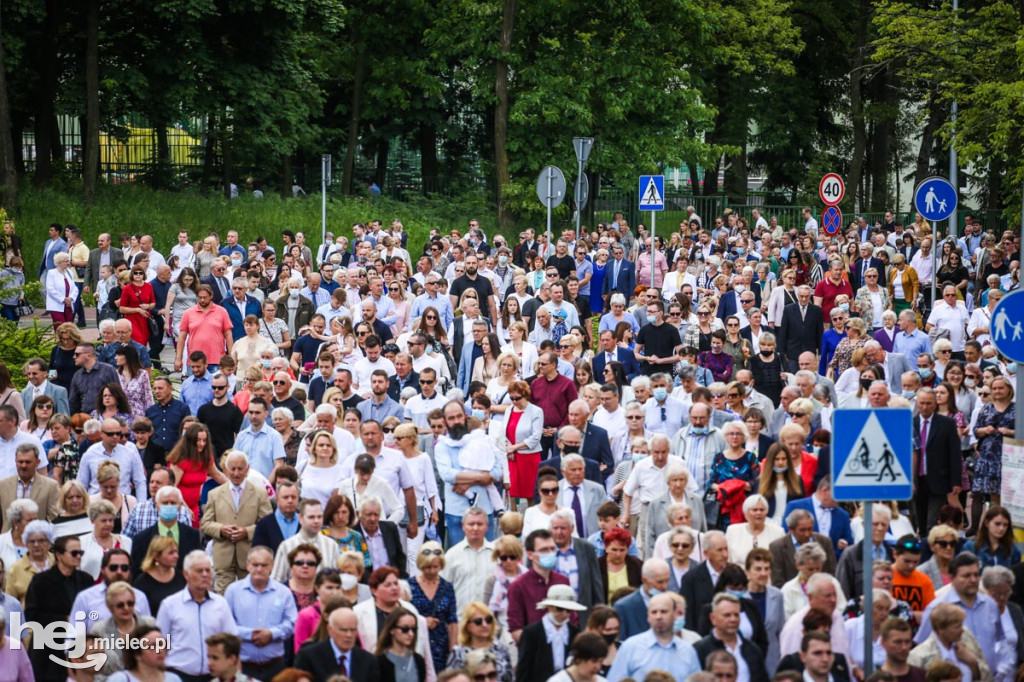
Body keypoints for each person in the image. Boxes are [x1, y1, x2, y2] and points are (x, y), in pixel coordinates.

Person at [157, 550, 239, 681]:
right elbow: (159, 644)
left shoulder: (221, 604)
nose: (205, 575)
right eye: (199, 571)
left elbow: (232, 641)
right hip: (179, 675)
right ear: (186, 574)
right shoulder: (170, 605)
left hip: (213, 677)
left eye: (208, 570)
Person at [201, 451, 273, 593]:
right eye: (232, 469)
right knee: (223, 600)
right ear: (225, 470)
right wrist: (221, 529)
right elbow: (206, 523)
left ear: (247, 469)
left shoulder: (260, 494)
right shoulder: (214, 494)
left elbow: (268, 524)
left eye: (240, 468)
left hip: (249, 557)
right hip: (223, 557)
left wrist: (247, 532)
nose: (236, 473)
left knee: (249, 597)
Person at [24, 534, 94, 680]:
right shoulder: (41, 581)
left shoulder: (86, 580)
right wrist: (64, 619)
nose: (78, 557)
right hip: (48, 651)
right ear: (59, 555)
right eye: (74, 553)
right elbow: (32, 615)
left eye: (80, 553)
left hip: (78, 649)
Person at [223, 545, 297, 680]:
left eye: (264, 565)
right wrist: (250, 635)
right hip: (243, 667)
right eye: (255, 565)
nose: (259, 569)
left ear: (272, 566)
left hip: (275, 666)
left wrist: (271, 634)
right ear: (247, 565)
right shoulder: (233, 591)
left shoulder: (283, 592)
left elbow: (292, 623)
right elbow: (225, 625)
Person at [607, 592, 701, 681]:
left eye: (664, 612)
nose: (658, 616)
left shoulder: (687, 651)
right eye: (654, 612)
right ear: (648, 616)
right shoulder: (630, 648)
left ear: (674, 615)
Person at [515, 583, 584, 682]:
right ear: (549, 607)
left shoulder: (575, 633)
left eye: (568, 610)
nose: (564, 614)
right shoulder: (531, 633)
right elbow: (523, 670)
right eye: (559, 609)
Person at [693, 592, 769, 682]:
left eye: (736, 615)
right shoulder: (700, 650)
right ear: (713, 618)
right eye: (727, 615)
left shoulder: (753, 650)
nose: (733, 619)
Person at [129, 485, 202, 574]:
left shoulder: (193, 535)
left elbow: (198, 567)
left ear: (179, 506)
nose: (169, 506)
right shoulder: (141, 539)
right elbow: (136, 572)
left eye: (173, 503)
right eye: (165, 503)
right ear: (156, 505)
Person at [908, 602, 989, 682]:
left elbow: (988, 678)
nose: (962, 630)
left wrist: (972, 662)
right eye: (957, 627)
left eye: (961, 625)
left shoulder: (967, 639)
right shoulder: (920, 656)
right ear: (941, 629)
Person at [447, 602, 515, 682]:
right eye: (478, 621)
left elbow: (510, 678)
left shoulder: (502, 649)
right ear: (468, 626)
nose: (484, 625)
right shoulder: (458, 653)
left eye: (488, 620)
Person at [879, 617, 927, 682]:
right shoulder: (876, 680)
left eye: (907, 642)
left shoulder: (924, 677)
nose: (904, 647)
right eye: (898, 642)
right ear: (883, 642)